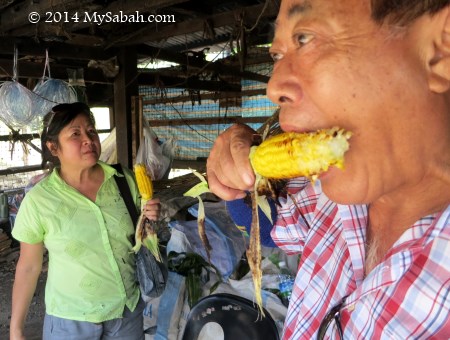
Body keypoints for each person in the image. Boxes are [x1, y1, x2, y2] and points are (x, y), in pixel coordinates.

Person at [207, 0, 450, 338]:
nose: (273, 88)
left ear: (440, 49)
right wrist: (238, 177)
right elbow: (273, 225)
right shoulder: (336, 192)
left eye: (305, 38)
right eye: (277, 55)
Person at [10, 102, 161, 340]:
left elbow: (140, 235)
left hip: (126, 312)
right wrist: (16, 329)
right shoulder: (39, 200)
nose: (88, 139)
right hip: (70, 322)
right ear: (53, 147)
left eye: (91, 131)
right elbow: (29, 266)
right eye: (75, 134)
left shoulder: (124, 181)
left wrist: (150, 220)